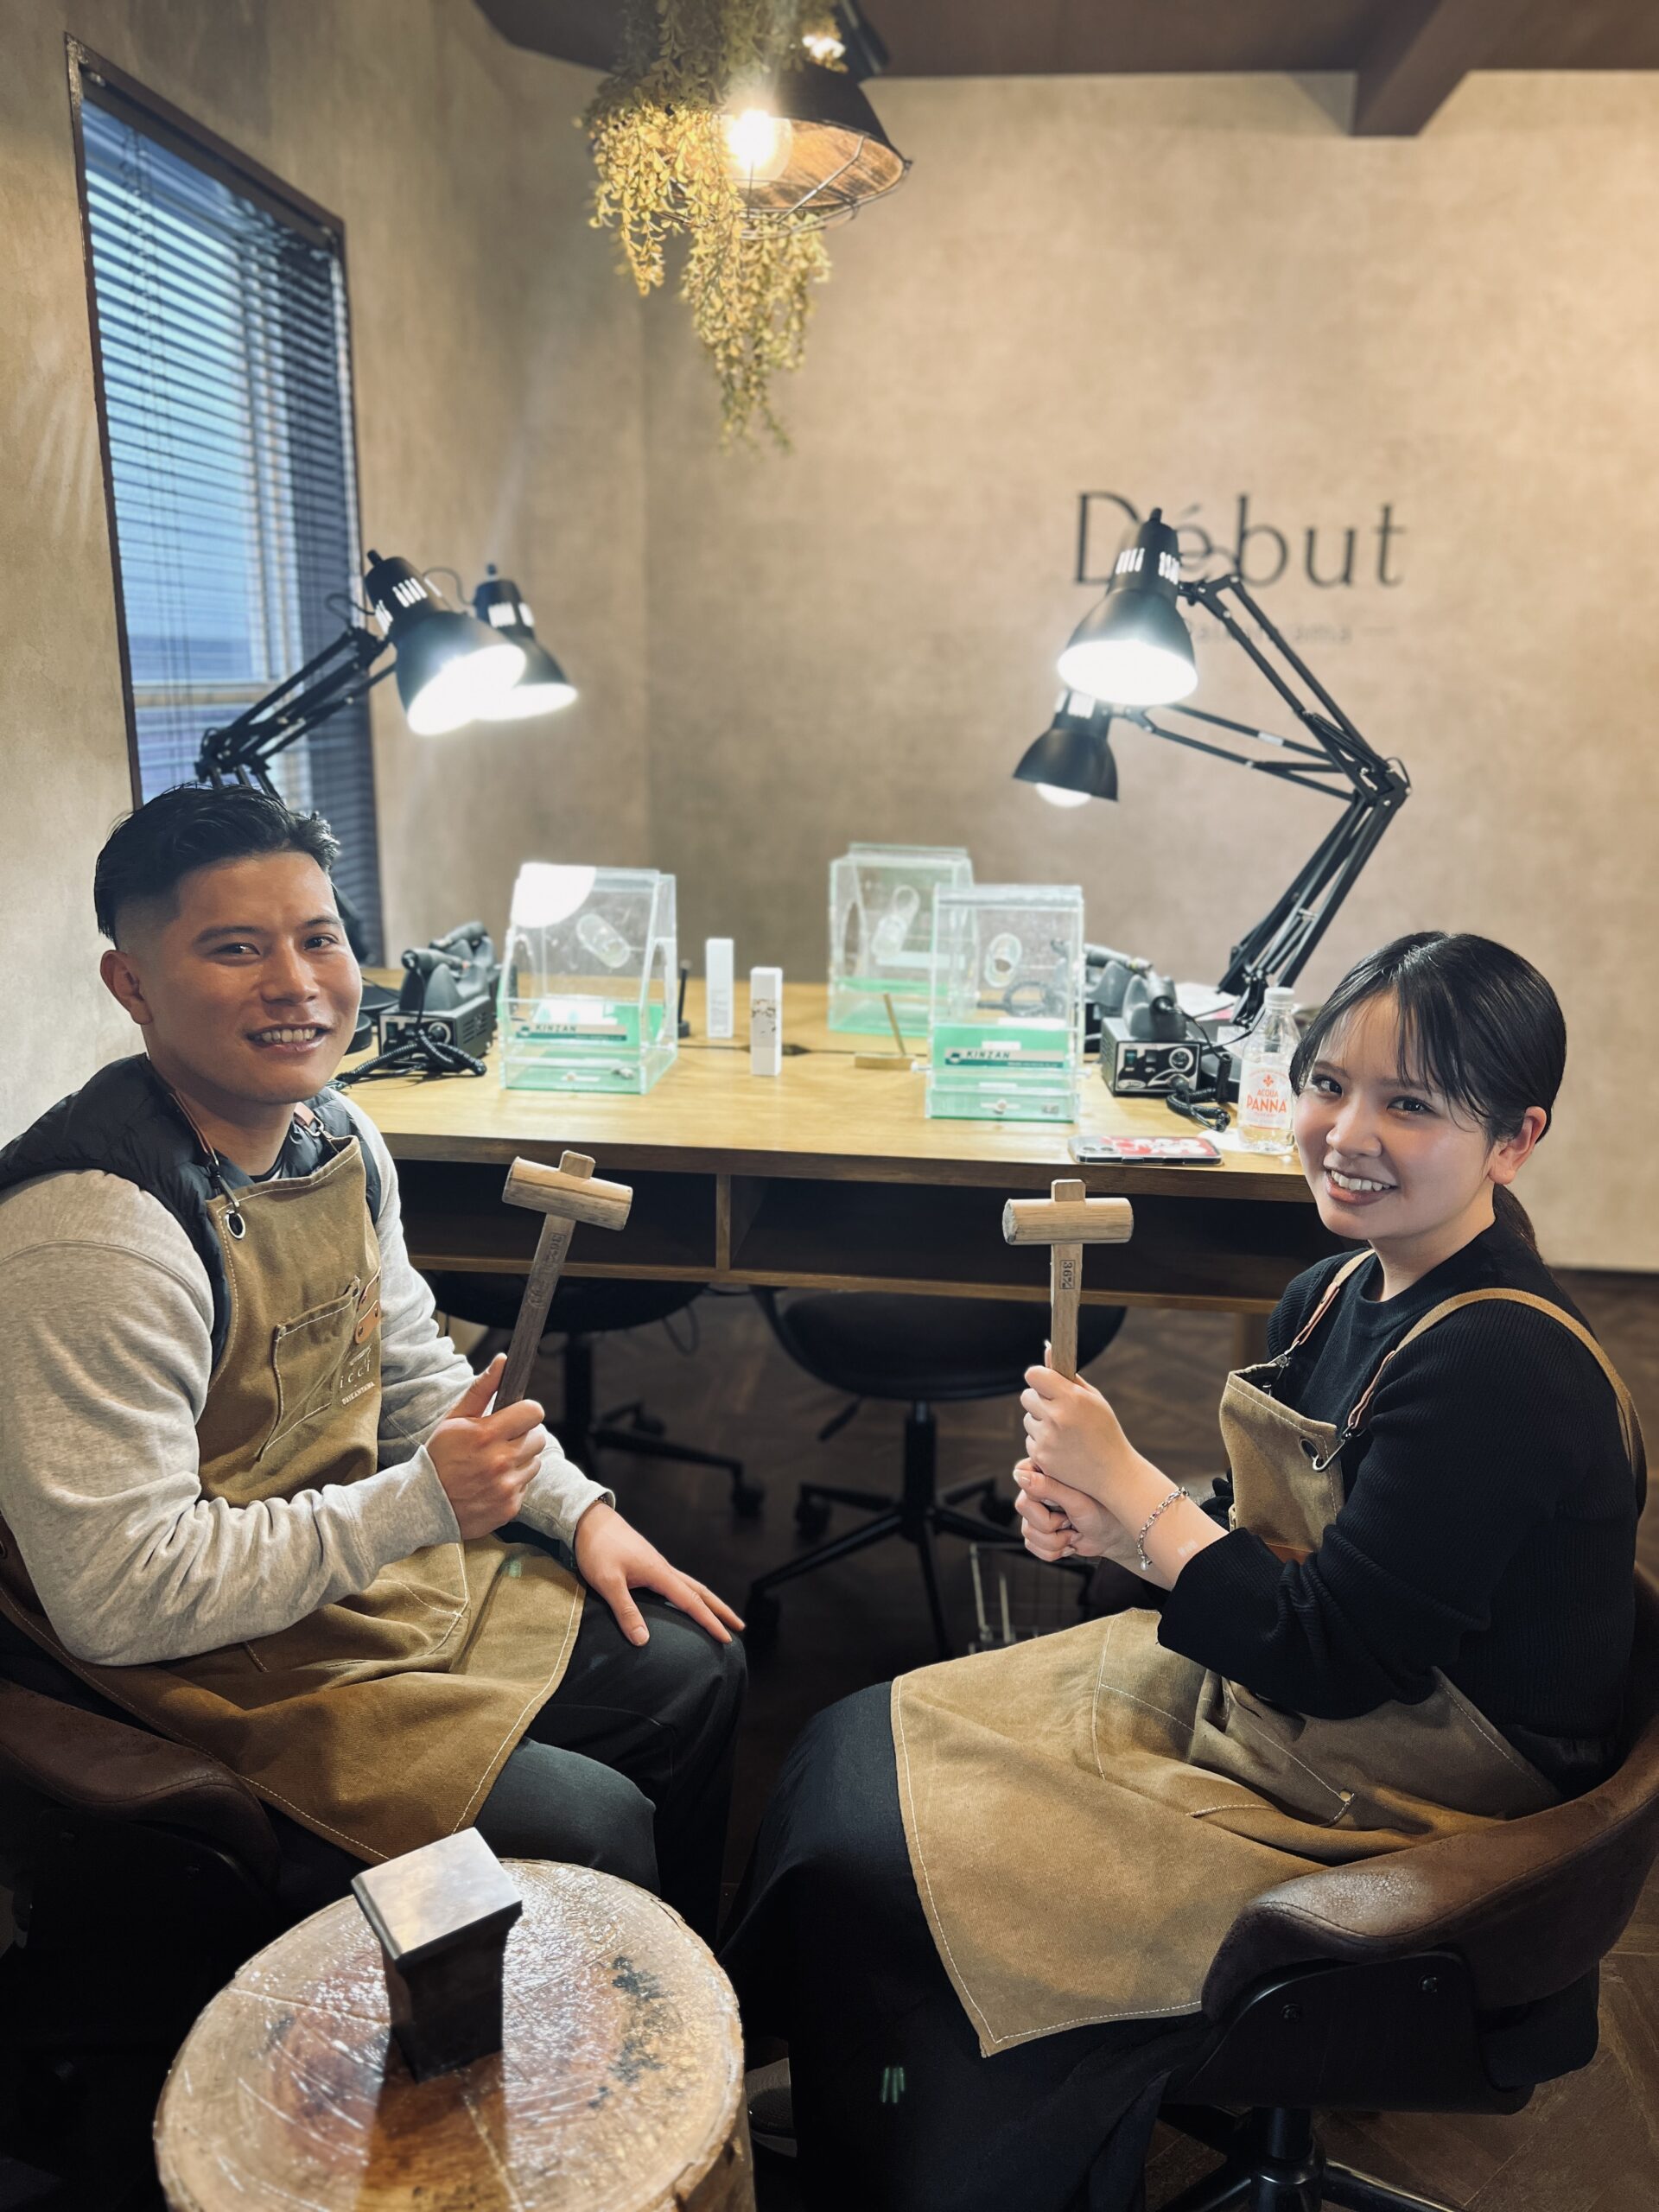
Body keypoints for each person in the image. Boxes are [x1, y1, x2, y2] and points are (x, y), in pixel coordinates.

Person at [721, 930, 1645, 2210]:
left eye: (1410, 1105)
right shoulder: (1336, 1291)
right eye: (1328, 1085)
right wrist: (1115, 1530)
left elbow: (1334, 1653)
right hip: (1295, 1710)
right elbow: (1283, 1536)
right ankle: (868, 2090)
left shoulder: (1500, 1365)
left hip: (1416, 1806)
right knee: (850, 1754)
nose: (1347, 1134)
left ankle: (933, 2127)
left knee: (918, 1862)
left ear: (1515, 1140)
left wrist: (1137, 1493)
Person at [0, 785, 745, 1938]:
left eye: (320, 938)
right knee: (588, 1825)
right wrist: (418, 1505)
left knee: (695, 1670)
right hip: (188, 1665)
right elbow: (122, 1600)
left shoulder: (337, 1136)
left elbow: (409, 1375)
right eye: (235, 949)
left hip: (339, 1582)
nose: (295, 984)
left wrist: (577, 1510)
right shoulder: (95, 1238)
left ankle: (675, 2014)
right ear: (131, 984)